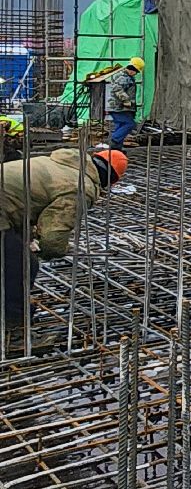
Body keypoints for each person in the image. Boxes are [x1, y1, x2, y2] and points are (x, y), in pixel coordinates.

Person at [1, 147, 126, 348]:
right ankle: (12, 336)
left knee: (13, 255)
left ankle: (12, 316)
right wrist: (52, 250)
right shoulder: (80, 186)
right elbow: (54, 234)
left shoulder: (60, 162)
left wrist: (27, 239)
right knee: (22, 267)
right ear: (111, 182)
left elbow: (23, 204)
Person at [107, 57, 144, 147]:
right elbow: (117, 88)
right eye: (136, 71)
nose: (136, 73)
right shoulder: (124, 77)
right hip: (119, 107)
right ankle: (114, 140)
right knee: (129, 124)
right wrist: (126, 100)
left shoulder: (125, 76)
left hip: (117, 107)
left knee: (120, 125)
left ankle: (116, 148)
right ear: (132, 69)